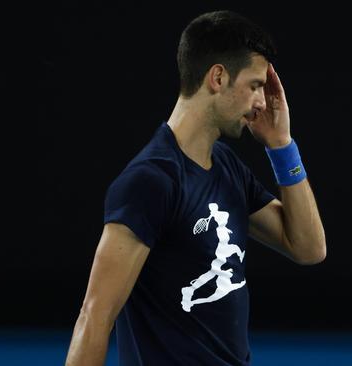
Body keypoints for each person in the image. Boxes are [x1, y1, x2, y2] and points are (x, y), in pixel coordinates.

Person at [65, 10, 326, 366]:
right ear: (218, 77)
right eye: (253, 85)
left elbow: (309, 248)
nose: (262, 103)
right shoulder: (151, 181)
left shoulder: (227, 166)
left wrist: (282, 146)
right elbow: (94, 318)